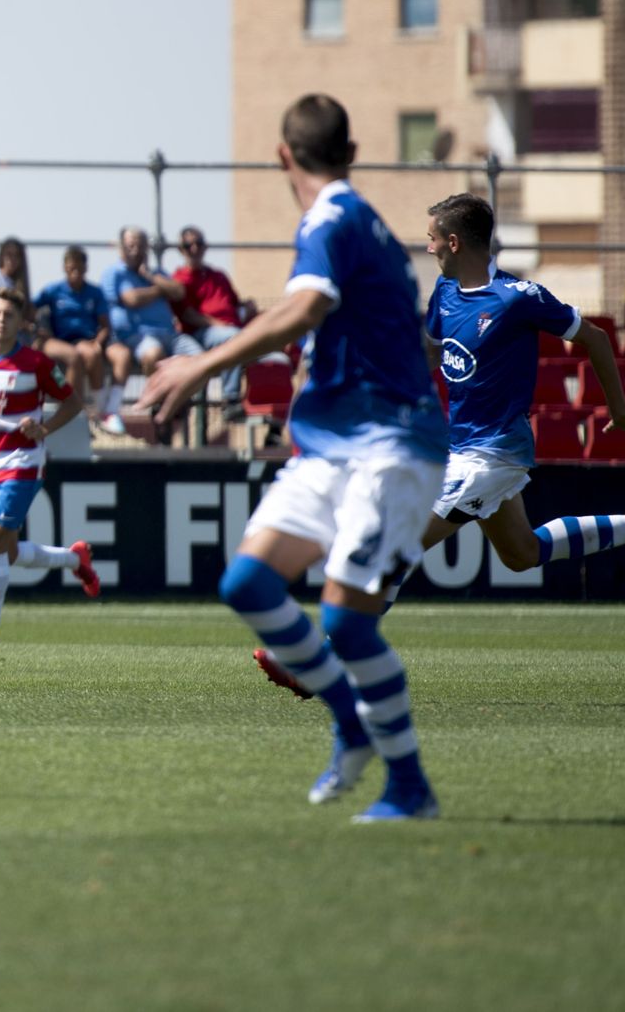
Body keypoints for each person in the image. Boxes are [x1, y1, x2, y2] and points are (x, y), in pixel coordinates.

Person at [254, 193, 625, 700]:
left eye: (431, 239)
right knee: (521, 552)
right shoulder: (445, 294)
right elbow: (431, 352)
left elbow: (597, 339)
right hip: (460, 449)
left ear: (454, 241)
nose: (427, 248)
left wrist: (620, 412)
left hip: (493, 453)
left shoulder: (518, 297)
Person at [140, 94, 448, 822]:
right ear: (353, 148)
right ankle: (350, 726)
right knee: (247, 582)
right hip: (334, 447)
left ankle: (410, 785)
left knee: (346, 624)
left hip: (391, 448)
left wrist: (199, 366)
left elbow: (305, 307)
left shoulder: (332, 219)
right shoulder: (359, 224)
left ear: (284, 156)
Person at [0, 287, 101, 644]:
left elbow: (73, 402)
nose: (2, 319)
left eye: (10, 314)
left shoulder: (37, 364)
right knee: (9, 552)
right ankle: (74, 560)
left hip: (23, 461)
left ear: (21, 323)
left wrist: (44, 428)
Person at [98, 226, 199, 436]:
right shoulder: (114, 273)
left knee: (201, 359)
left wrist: (150, 277)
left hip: (171, 335)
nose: (136, 249)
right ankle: (160, 407)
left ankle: (178, 401)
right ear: (122, 248)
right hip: (138, 338)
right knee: (153, 354)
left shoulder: (156, 272)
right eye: (131, 245)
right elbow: (131, 299)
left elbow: (179, 291)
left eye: (140, 245)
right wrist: (161, 289)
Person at [172, 224, 252, 410]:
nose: (194, 248)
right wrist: (217, 324)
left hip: (233, 330)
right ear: (181, 250)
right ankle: (230, 398)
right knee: (232, 339)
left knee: (276, 358)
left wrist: (248, 307)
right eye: (188, 245)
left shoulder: (218, 275)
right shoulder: (179, 279)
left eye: (198, 243)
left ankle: (275, 428)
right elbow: (187, 315)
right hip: (204, 333)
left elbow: (235, 304)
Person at [32, 245, 111, 422]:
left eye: (79, 269)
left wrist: (98, 341)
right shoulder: (53, 290)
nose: (75, 273)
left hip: (84, 340)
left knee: (91, 353)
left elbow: (105, 325)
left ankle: (96, 409)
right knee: (73, 356)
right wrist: (35, 328)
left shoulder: (95, 292)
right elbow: (29, 306)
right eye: (71, 268)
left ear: (85, 269)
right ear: (65, 268)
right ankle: (71, 407)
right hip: (57, 340)